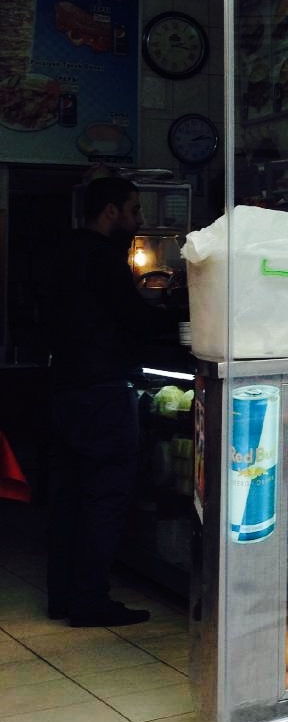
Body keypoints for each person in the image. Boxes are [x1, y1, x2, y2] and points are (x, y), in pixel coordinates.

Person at [46, 176, 164, 626]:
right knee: (103, 498)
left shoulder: (63, 252)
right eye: (134, 210)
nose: (139, 220)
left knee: (68, 499)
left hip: (64, 389)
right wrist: (171, 316)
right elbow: (132, 318)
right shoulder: (102, 257)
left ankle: (63, 597)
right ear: (111, 211)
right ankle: (90, 600)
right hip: (102, 391)